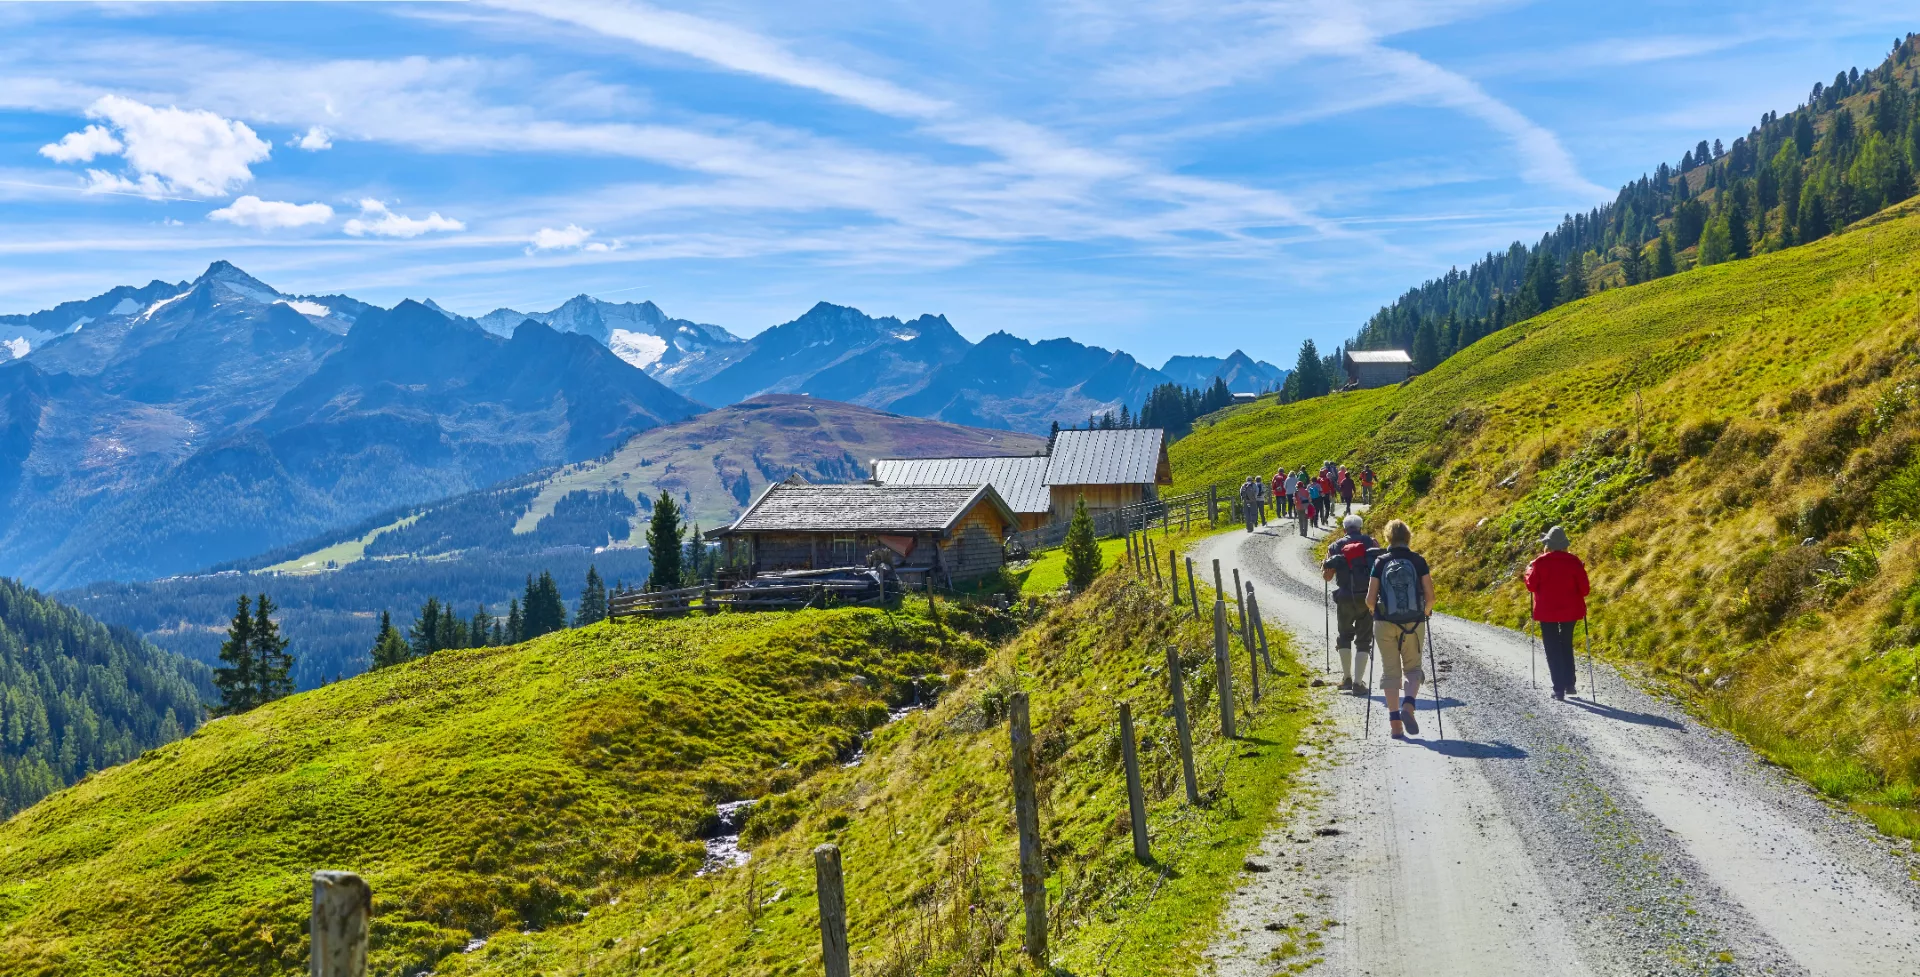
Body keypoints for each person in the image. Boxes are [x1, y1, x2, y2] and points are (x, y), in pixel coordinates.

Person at [1366, 519, 1435, 739]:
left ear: (1387, 538)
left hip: (1384, 622)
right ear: (1408, 537)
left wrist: (1375, 611)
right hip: (1414, 623)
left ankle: (1395, 724)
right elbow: (1430, 597)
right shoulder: (1418, 561)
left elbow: (1369, 599)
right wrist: (1425, 612)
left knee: (1390, 671)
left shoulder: (1380, 561)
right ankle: (1409, 706)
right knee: (1413, 669)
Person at [1525, 525, 1591, 701]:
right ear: (1565, 545)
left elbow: (1531, 585)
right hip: (1571, 611)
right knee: (1566, 643)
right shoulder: (1574, 563)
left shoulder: (1539, 563)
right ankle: (1570, 683)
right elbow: (1584, 590)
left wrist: (1528, 570)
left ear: (1548, 544)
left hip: (1547, 612)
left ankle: (1559, 688)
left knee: (1552, 648)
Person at [1322, 514, 1379, 693]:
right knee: (1364, 640)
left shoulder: (1335, 546)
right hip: (1367, 598)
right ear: (1360, 527)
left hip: (1345, 597)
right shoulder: (1371, 543)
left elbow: (1327, 576)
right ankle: (1358, 683)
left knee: (1344, 636)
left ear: (1344, 528)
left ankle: (1346, 678)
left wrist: (1324, 565)